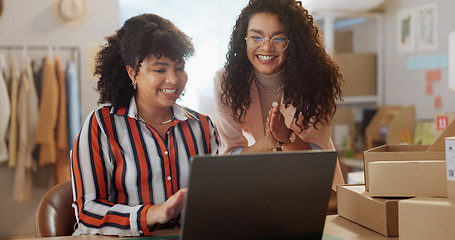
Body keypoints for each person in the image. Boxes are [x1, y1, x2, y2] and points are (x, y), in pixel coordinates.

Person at [70, 13, 219, 236]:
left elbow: (218, 197)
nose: (174, 79)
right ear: (133, 73)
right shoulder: (101, 125)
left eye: (179, 68)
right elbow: (87, 212)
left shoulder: (202, 126)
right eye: (160, 70)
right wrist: (153, 214)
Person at [214, 0, 344, 212]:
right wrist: (267, 143)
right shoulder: (226, 81)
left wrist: (287, 137)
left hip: (317, 190)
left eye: (278, 38)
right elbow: (229, 156)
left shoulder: (317, 78)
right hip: (263, 187)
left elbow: (318, 156)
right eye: (256, 37)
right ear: (243, 39)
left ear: (294, 41)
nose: (266, 47)